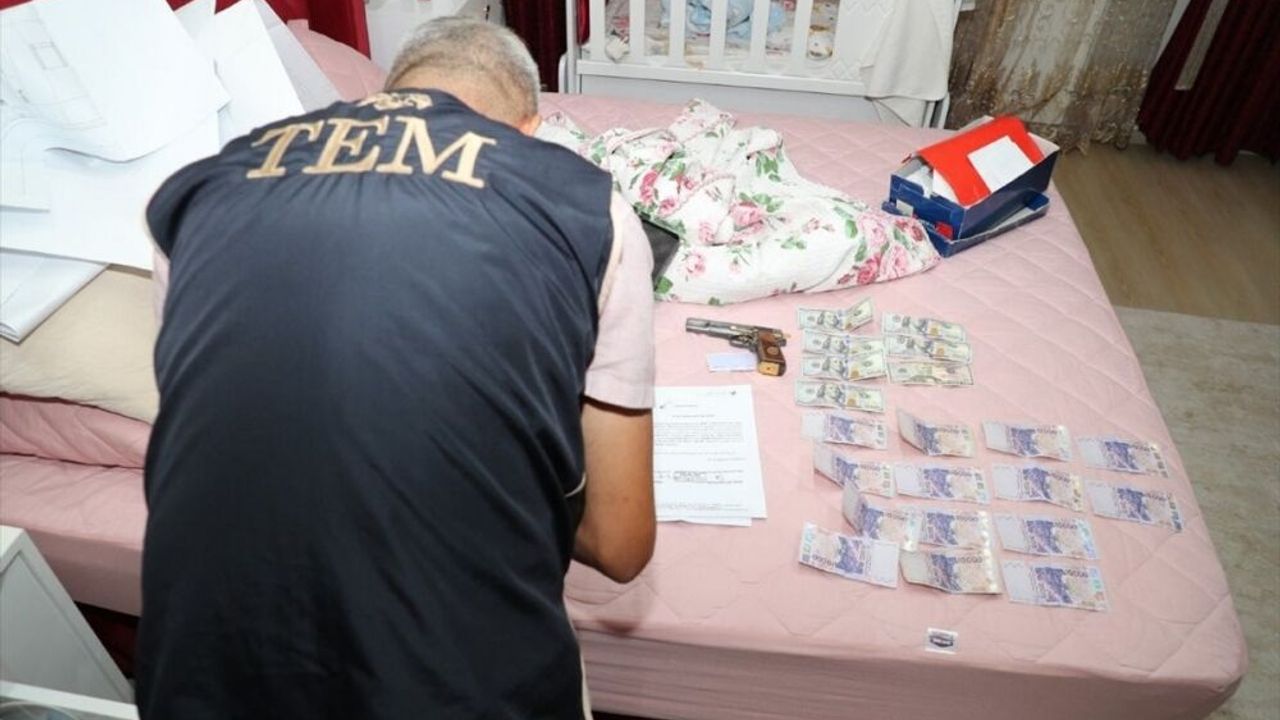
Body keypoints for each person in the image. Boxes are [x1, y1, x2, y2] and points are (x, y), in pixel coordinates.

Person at [137, 17, 656, 719]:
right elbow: (620, 543)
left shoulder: (192, 195)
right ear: (529, 131)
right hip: (459, 687)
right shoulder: (589, 206)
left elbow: (214, 408)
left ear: (383, 97)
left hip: (201, 673)